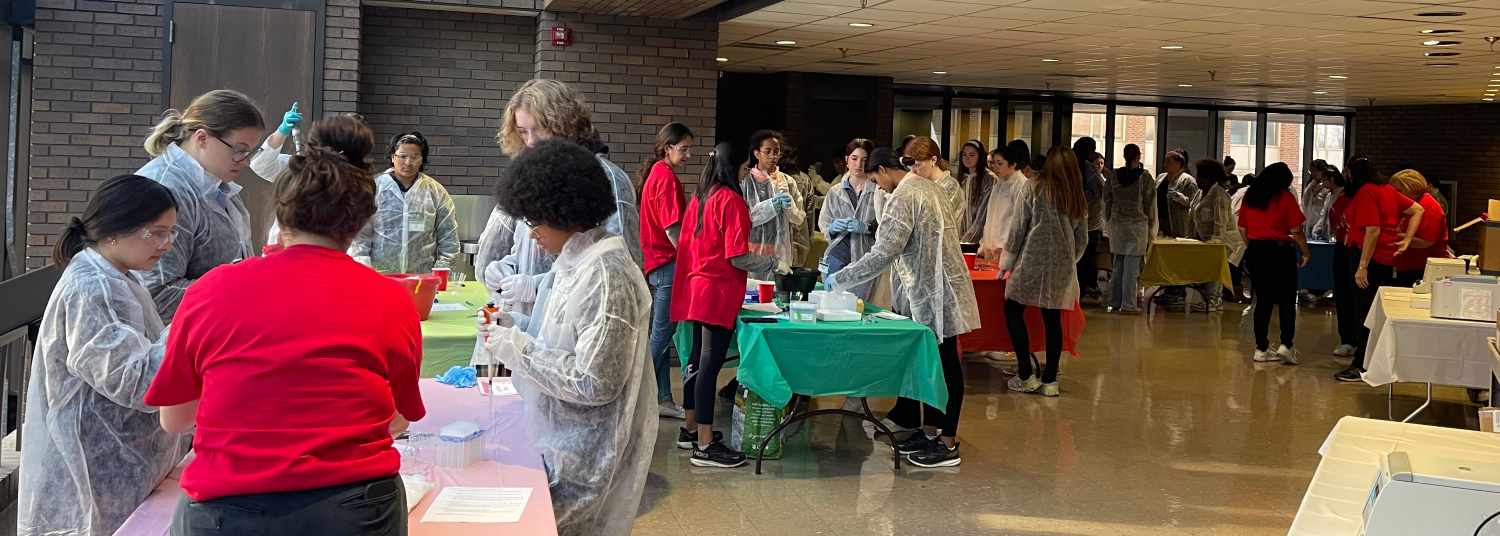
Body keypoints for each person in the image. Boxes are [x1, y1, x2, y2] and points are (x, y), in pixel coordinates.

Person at [145, 117, 426, 536]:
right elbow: (399, 419)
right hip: (356, 508)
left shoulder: (211, 290)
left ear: (282, 210)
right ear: (362, 219)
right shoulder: (389, 299)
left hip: (227, 510)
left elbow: (175, 420)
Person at [474, 140, 656, 535]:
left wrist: (516, 349)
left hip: (587, 460)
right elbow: (555, 338)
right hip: (559, 442)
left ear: (567, 213)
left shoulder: (606, 274)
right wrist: (511, 327)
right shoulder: (573, 259)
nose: (532, 234)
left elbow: (594, 381)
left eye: (535, 222)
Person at [18, 175, 186, 536]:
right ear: (115, 230)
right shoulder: (92, 288)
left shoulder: (115, 275)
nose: (167, 245)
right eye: (156, 233)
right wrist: (193, 317)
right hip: (96, 469)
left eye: (170, 233)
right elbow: (137, 381)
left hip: (117, 462)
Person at [825, 147, 980, 468]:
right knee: (933, 365)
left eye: (875, 180)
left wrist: (840, 279)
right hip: (935, 290)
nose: (877, 188)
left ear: (883, 169)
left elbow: (884, 252)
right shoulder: (923, 186)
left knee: (946, 366)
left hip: (934, 293)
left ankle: (947, 443)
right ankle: (929, 431)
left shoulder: (907, 194)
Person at [486, 78, 643, 320]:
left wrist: (538, 285)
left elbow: (618, 268)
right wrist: (509, 265)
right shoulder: (534, 175)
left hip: (583, 319)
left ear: (563, 124)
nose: (530, 141)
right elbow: (529, 245)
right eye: (523, 131)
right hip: (535, 324)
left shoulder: (608, 179)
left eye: (537, 129)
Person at [671, 141, 786, 468]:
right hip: (717, 290)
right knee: (710, 366)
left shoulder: (701, 196)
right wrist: (771, 264)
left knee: (696, 361)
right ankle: (705, 448)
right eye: (746, 165)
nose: (748, 170)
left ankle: (691, 430)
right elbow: (736, 255)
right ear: (735, 166)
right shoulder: (731, 200)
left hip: (696, 286)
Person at [137, 89, 263, 323]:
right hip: (172, 342)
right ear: (202, 138)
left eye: (250, 152)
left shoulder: (215, 182)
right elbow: (156, 295)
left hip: (212, 330)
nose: (246, 161)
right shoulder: (164, 189)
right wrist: (240, 292)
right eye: (239, 150)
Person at [1000, 146, 1088, 397]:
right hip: (1061, 264)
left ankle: (1026, 374)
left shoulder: (1033, 187)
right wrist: (1070, 259)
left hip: (1031, 259)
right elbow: (1082, 239)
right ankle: (1050, 380)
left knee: (1013, 308)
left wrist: (1007, 259)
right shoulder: (1076, 195)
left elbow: (1018, 228)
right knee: (1053, 319)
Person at [1337, 156, 1424, 382]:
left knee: (1364, 315)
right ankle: (1370, 362)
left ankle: (1361, 365)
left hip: (1369, 257)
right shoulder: (1386, 189)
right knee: (1373, 314)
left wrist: (1362, 266)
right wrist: (1407, 240)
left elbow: (1372, 230)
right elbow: (1417, 210)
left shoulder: (1366, 192)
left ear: (1351, 174)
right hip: (1384, 258)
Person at [637, 122, 694, 420]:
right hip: (667, 264)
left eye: (689, 149)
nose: (687, 155)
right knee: (660, 338)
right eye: (683, 149)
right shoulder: (666, 178)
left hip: (658, 265)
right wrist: (694, 257)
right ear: (666, 148)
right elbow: (673, 228)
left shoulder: (657, 174)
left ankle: (663, 399)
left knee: (661, 335)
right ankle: (634, 393)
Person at [347, 131, 459, 275]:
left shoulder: (435, 192)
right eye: (402, 156)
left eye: (414, 157)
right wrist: (364, 273)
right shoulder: (373, 188)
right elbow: (359, 237)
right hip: (379, 277)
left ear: (422, 160)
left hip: (422, 279)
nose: (408, 162)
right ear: (393, 157)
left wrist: (440, 276)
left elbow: (449, 239)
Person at [1237, 163, 1311, 364]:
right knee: (1287, 300)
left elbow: (1242, 228)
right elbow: (1296, 229)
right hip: (1280, 251)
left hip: (1257, 251)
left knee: (1262, 301)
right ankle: (1286, 345)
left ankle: (1261, 349)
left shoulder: (1250, 197)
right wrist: (1305, 252)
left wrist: (1253, 246)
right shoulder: (1284, 197)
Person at [820, 138, 888, 303]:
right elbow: (825, 224)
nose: (859, 164)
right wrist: (832, 228)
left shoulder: (880, 191)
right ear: (846, 160)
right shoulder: (835, 192)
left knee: (861, 307)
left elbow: (888, 227)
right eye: (854, 158)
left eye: (864, 160)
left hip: (866, 259)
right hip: (838, 255)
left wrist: (868, 228)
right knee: (833, 306)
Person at [742, 130, 804, 280]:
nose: (773, 157)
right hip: (755, 249)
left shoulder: (788, 181)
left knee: (778, 294)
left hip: (782, 250)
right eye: (768, 152)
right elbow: (743, 218)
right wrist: (769, 207)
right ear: (757, 153)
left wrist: (790, 209)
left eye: (776, 152)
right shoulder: (746, 181)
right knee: (754, 294)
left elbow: (799, 219)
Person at [1104, 144, 1155, 315]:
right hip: (1137, 225)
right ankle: (1128, 304)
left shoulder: (1113, 177)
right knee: (1132, 267)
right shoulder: (1145, 178)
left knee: (1117, 265)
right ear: (1138, 157)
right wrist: (1152, 225)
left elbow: (1107, 199)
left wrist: (1109, 219)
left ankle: (1114, 301)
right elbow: (1150, 204)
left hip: (1117, 225)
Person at [1320, 166, 1359, 358]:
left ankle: (1363, 341)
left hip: (1363, 250)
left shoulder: (1371, 196)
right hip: (1344, 249)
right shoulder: (1341, 199)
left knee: (1361, 298)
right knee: (1344, 295)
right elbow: (1333, 222)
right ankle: (1348, 340)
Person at [1189, 158, 1235, 313]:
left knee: (1214, 267)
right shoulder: (1200, 192)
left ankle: (1212, 300)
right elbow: (1193, 214)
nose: (1197, 180)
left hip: (1223, 237)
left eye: (1200, 177)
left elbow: (1220, 222)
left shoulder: (1219, 195)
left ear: (1209, 178)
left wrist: (1215, 242)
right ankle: (1212, 299)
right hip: (1205, 237)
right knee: (1209, 268)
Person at [1389, 169, 1449, 287]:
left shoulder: (1429, 207)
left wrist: (1394, 236)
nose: (1395, 194)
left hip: (1421, 269)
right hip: (1408, 266)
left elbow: (1426, 241)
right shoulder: (1412, 203)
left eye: (1399, 191)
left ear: (1412, 188)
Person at [979, 140, 1032, 263]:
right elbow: (992, 215)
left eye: (1000, 163)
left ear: (1013, 164)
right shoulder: (1000, 182)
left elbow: (1019, 219)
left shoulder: (1020, 183)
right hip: (993, 244)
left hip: (1006, 246)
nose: (995, 167)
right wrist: (985, 242)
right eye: (994, 163)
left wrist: (1009, 246)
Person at [903, 136, 963, 232]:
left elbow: (941, 223)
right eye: (910, 166)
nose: (913, 170)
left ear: (933, 160)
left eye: (918, 165)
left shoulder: (950, 186)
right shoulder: (915, 182)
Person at [1074, 137, 1106, 306]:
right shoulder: (1088, 168)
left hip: (1071, 217)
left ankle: (1076, 290)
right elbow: (1102, 190)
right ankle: (1083, 290)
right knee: (1086, 256)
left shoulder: (1071, 165)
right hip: (1089, 219)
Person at [781, 145, 818, 266]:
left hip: (779, 237)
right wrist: (810, 235)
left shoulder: (775, 177)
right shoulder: (804, 179)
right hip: (800, 234)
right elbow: (810, 209)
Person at [955, 140, 997, 243]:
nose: (967, 158)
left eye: (972, 155)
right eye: (964, 154)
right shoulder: (960, 178)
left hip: (981, 238)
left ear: (980, 156)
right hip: (960, 236)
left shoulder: (989, 179)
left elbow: (983, 214)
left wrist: (969, 238)